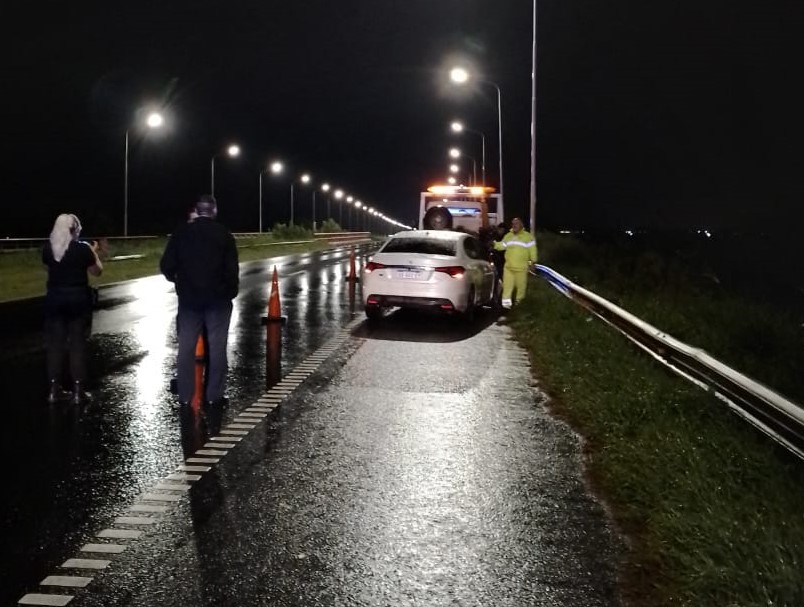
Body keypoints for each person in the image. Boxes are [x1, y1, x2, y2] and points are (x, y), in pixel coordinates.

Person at [160, 195, 239, 407]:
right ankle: (214, 395)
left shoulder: (181, 233)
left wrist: (179, 280)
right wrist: (229, 292)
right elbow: (232, 271)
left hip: (189, 300)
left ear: (197, 210)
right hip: (218, 300)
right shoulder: (224, 235)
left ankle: (185, 395)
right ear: (214, 211)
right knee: (217, 347)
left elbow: (166, 265)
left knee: (185, 347)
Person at [43, 213, 103, 404]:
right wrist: (93, 252)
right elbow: (97, 271)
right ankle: (78, 391)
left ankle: (54, 389)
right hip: (78, 298)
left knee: (55, 345)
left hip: (55, 298)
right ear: (74, 229)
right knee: (77, 344)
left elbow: (49, 269)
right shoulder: (82, 249)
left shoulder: (48, 249)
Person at [493, 217, 537, 309]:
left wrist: (533, 262)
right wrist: (494, 244)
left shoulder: (528, 237)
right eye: (513, 223)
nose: (514, 225)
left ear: (521, 225)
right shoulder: (508, 236)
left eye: (516, 223)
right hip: (508, 268)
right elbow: (502, 245)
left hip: (521, 268)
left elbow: (533, 250)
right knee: (507, 287)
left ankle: (519, 306)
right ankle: (506, 307)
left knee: (521, 288)